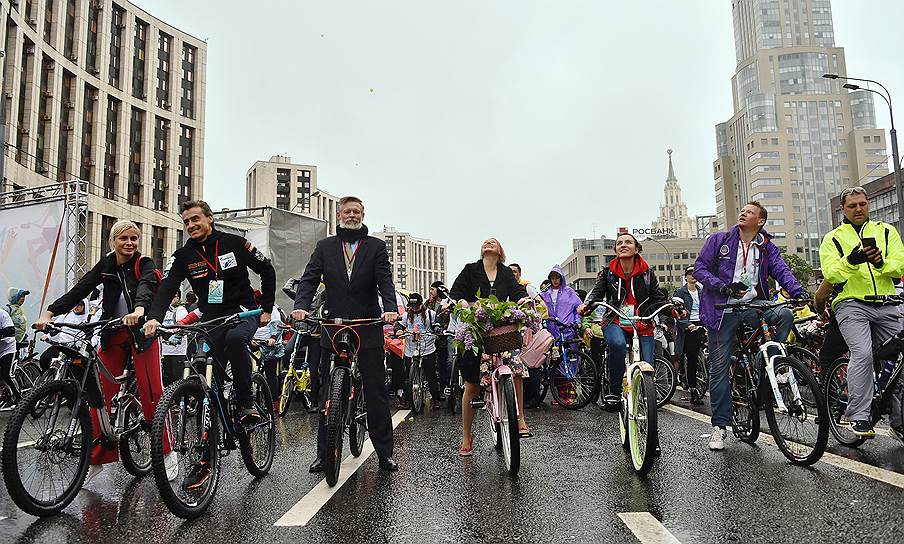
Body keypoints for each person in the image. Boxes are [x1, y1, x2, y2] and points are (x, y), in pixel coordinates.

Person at [144, 200, 276, 490]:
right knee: (203, 373)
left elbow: (267, 270)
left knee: (236, 339)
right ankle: (205, 460)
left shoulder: (235, 243)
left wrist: (266, 307)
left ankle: (245, 402)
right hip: (212, 316)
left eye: (195, 219)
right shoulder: (183, 256)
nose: (191, 225)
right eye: (186, 221)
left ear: (209, 219)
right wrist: (154, 318)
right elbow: (167, 287)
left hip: (243, 310)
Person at [33, 220, 176, 483]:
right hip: (112, 333)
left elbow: (145, 287)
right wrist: (50, 313)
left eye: (134, 238)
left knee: (152, 392)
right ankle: (98, 458)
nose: (130, 243)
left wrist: (140, 311)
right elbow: (81, 289)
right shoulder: (107, 264)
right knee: (98, 396)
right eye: (124, 238)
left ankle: (166, 453)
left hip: (141, 333)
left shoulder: (144, 263)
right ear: (113, 241)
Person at [291, 195, 400, 474]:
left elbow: (384, 280)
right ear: (339, 214)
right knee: (328, 390)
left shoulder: (375, 246)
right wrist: (301, 307)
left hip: (368, 323)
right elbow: (310, 278)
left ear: (363, 214)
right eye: (347, 211)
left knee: (376, 392)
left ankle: (385, 454)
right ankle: (323, 453)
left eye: (357, 211)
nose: (352, 215)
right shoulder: (325, 246)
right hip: (334, 322)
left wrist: (390, 309)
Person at [694, 201, 806, 451]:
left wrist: (797, 291)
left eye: (750, 212)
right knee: (720, 368)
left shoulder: (766, 247)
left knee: (785, 314)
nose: (743, 213)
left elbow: (781, 270)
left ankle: (770, 363)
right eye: (742, 210)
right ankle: (719, 427)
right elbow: (699, 269)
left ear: (761, 221)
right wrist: (722, 287)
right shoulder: (719, 240)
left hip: (754, 305)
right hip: (723, 310)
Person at [819, 187, 904, 439]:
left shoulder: (887, 231)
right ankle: (858, 416)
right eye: (852, 205)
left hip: (887, 303)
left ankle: (898, 422)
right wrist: (852, 260)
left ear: (868, 205)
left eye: (862, 204)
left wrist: (880, 263)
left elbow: (899, 264)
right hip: (851, 304)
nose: (858, 209)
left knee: (899, 362)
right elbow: (831, 273)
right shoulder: (832, 238)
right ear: (842, 209)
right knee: (863, 353)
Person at [450, 238, 530, 456]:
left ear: (500, 250)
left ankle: (520, 417)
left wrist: (522, 300)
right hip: (475, 326)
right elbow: (455, 292)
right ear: (481, 250)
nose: (489, 244)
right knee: (471, 385)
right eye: (486, 242)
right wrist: (461, 302)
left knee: (516, 371)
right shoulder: (470, 270)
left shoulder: (505, 272)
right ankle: (467, 435)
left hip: (500, 326)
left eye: (493, 242)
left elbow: (517, 292)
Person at [578, 233, 672, 410]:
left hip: (642, 321)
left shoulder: (648, 274)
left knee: (647, 360)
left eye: (628, 242)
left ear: (636, 249)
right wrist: (586, 306)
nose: (623, 245)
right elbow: (597, 294)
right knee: (618, 344)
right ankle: (614, 392)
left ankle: (646, 393)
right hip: (615, 320)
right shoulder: (608, 273)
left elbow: (658, 299)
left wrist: (674, 311)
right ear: (615, 250)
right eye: (619, 243)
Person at [394, 292, 442, 404]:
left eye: (416, 306)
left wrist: (437, 330)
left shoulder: (431, 314)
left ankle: (435, 399)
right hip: (411, 349)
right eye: (412, 307)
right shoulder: (406, 315)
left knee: (431, 375)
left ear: (421, 304)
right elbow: (399, 325)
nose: (414, 309)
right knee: (407, 375)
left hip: (427, 348)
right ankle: (407, 399)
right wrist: (399, 331)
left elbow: (437, 326)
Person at [674, 267, 705, 405]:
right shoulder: (680, 292)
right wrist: (687, 325)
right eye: (689, 274)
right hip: (688, 325)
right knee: (692, 357)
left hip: (702, 323)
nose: (693, 276)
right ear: (685, 277)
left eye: (695, 274)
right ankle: (693, 390)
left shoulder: (702, 291)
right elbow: (678, 313)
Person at [38, 299, 89, 373]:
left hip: (76, 349)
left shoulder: (88, 318)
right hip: (62, 345)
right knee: (44, 358)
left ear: (85, 306)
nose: (76, 307)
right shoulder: (67, 314)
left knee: (74, 369)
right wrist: (48, 336)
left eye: (80, 305)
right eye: (75, 304)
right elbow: (56, 327)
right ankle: (45, 379)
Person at [426, 281, 452, 397]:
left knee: (444, 363)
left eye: (433, 289)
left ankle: (445, 386)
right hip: (430, 339)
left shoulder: (448, 302)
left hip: (444, 338)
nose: (431, 292)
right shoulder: (428, 304)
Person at [160, 294, 189, 386]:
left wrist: (176, 336)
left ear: (178, 298)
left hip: (177, 352)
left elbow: (182, 326)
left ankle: (178, 400)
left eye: (175, 296)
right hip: (164, 351)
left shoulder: (180, 310)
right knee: (166, 380)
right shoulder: (163, 310)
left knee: (177, 379)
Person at [0, 306, 20, 410]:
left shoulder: (2, 314)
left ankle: (18, 398)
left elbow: (11, 330)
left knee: (6, 374)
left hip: (7, 348)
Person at [6, 288, 29, 354]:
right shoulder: (8, 309)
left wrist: (24, 336)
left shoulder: (20, 310)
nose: (23, 298)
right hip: (9, 343)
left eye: (24, 296)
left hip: (18, 342)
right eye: (21, 296)